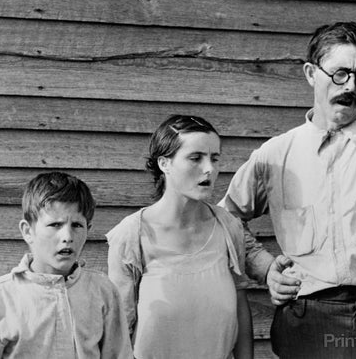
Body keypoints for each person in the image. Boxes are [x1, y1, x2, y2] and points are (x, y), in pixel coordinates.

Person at [218, 21, 356, 358]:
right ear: (311, 73)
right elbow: (227, 221)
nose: (350, 86)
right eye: (340, 73)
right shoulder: (275, 155)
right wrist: (266, 269)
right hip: (308, 319)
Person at [107, 115, 259, 359]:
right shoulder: (131, 235)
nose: (209, 168)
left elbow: (240, 305)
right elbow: (119, 329)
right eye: (195, 158)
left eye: (215, 158)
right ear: (164, 164)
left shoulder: (228, 226)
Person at [0, 171, 132, 359]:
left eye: (77, 225)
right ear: (27, 231)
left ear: (88, 230)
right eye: (55, 224)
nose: (68, 237)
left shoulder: (103, 293)